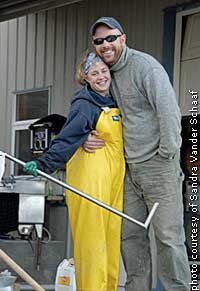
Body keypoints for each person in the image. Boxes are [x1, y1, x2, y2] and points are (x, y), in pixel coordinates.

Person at [83, 17, 191, 291]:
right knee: (130, 237)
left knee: (168, 237)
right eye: (99, 41)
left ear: (123, 38)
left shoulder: (146, 67)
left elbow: (168, 112)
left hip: (158, 165)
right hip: (126, 170)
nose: (105, 45)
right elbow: (84, 112)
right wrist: (84, 137)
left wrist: (166, 154)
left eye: (110, 38)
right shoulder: (101, 74)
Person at [24, 51, 125, 291]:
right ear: (85, 78)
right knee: (92, 246)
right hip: (90, 181)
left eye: (103, 71)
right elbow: (67, 138)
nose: (100, 77)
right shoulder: (85, 104)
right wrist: (43, 164)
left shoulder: (114, 100)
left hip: (112, 183)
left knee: (110, 243)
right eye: (94, 73)